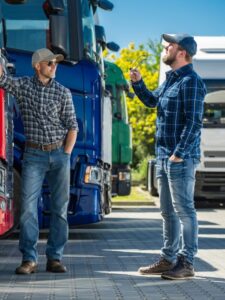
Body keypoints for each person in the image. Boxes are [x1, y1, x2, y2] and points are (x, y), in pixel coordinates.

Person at [130, 34, 206, 280]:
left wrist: (178, 155)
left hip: (180, 159)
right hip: (163, 157)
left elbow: (194, 123)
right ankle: (168, 259)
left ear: (182, 52)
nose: (165, 48)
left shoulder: (191, 81)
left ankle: (187, 262)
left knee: (185, 210)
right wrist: (139, 83)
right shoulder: (170, 80)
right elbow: (153, 102)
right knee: (167, 212)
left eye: (169, 45)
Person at [0, 48, 78, 274]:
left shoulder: (63, 92)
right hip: (33, 156)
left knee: (60, 209)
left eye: (56, 63)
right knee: (27, 209)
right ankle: (29, 259)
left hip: (59, 155)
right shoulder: (23, 86)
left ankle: (54, 258)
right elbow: (3, 79)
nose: (54, 67)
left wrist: (66, 153)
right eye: (50, 63)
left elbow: (73, 126)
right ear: (37, 66)